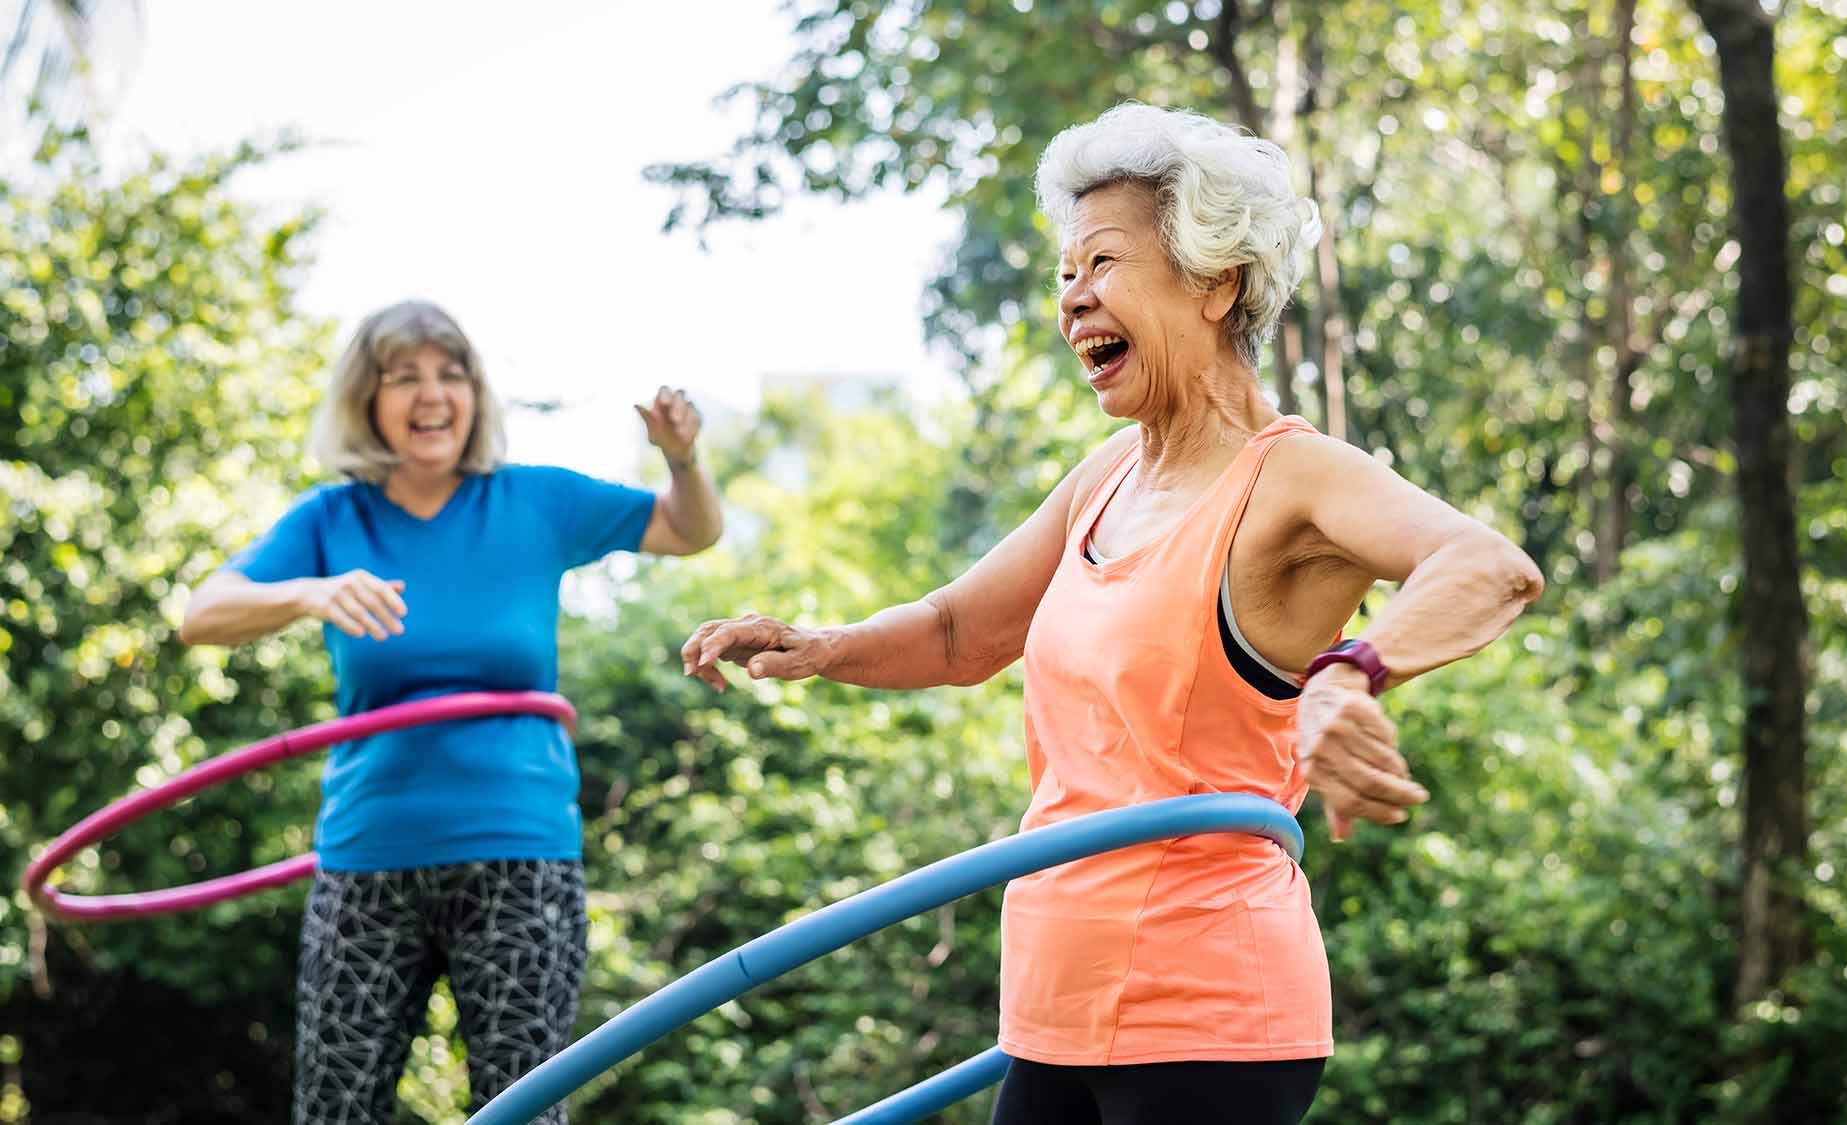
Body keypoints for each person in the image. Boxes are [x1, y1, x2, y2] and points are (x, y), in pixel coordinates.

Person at [680, 104, 1544, 1125]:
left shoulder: (1292, 477)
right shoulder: (1104, 480)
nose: (1070, 298)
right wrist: (821, 645)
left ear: (1215, 281)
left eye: (1099, 263)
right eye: (1063, 273)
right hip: (1050, 1002)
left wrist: (1349, 670)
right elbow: (960, 634)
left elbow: (1488, 566)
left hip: (1203, 1006)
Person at [177, 299, 722, 1125]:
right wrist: (307, 592)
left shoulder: (534, 500)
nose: (431, 395)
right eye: (404, 377)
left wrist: (682, 459)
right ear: (368, 399)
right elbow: (199, 614)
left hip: (519, 860)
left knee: (521, 1113)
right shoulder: (331, 518)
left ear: (474, 393)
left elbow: (689, 532)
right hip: (366, 861)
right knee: (334, 1111)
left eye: (449, 373)